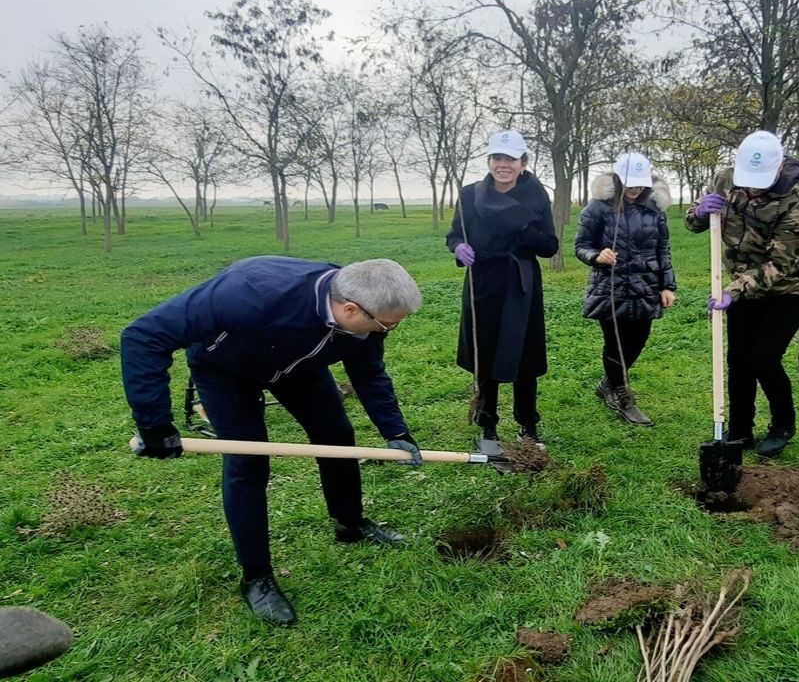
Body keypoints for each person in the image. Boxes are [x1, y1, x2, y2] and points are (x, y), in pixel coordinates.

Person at [121, 256, 424, 626]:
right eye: (386, 325)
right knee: (248, 464)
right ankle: (256, 578)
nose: (387, 331)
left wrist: (396, 432)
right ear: (349, 308)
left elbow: (368, 372)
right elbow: (144, 335)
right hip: (226, 371)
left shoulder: (367, 316)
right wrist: (154, 425)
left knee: (338, 438)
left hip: (298, 368)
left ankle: (350, 524)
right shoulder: (250, 291)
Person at [685, 130, 799, 457]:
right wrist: (700, 211)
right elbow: (693, 223)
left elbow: (781, 264)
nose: (751, 188)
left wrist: (733, 291)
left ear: (777, 169)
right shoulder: (726, 180)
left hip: (791, 289)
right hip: (741, 287)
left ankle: (783, 424)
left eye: (759, 182)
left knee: (764, 358)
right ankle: (740, 430)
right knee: (738, 360)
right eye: (747, 180)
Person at [445, 129, 559, 446]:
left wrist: (523, 225)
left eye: (510, 158)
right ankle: (487, 425)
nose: (503, 164)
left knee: (525, 357)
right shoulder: (469, 195)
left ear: (523, 163)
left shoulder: (537, 197)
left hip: (521, 283)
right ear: (489, 161)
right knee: (486, 353)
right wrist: (457, 248)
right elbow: (455, 234)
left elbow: (549, 246)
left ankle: (528, 426)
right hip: (483, 282)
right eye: (497, 157)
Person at [575, 153, 677, 426]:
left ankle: (608, 384)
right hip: (611, 286)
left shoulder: (655, 209)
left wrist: (667, 285)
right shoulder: (597, 208)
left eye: (639, 183)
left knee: (638, 341)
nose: (634, 188)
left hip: (646, 286)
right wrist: (596, 255)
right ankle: (622, 396)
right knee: (616, 343)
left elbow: (663, 248)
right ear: (618, 179)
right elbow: (581, 246)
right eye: (629, 183)